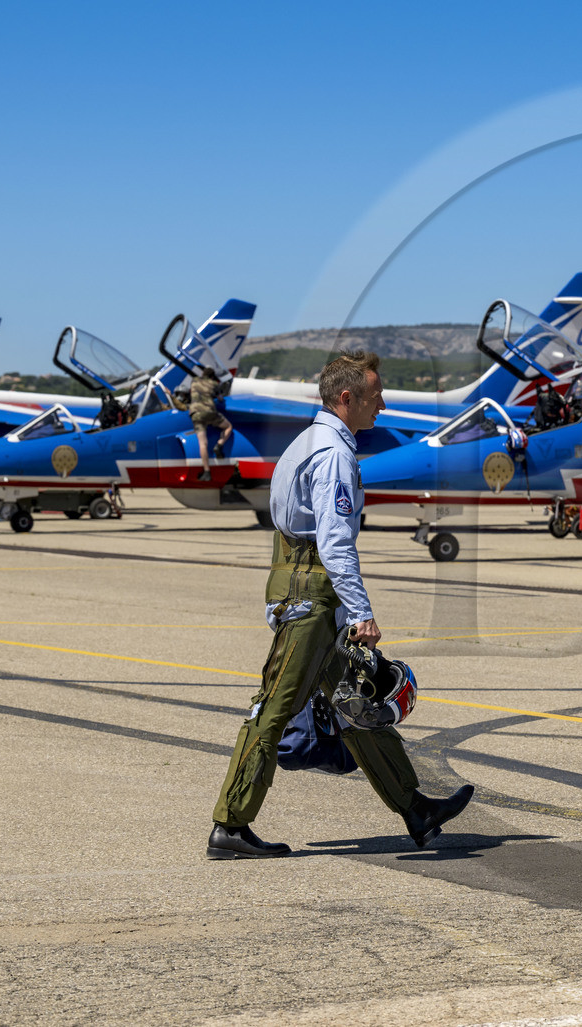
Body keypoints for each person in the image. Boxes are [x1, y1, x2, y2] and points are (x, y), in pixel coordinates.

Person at [208, 350, 474, 860]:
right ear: (346, 397)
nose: (381, 404)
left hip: (302, 591)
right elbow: (333, 541)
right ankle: (231, 823)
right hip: (313, 597)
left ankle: (414, 809)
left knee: (356, 706)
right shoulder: (332, 454)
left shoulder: (306, 443)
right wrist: (360, 611)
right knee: (274, 709)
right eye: (375, 396)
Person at [189, 368, 234, 482]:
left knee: (202, 444)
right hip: (209, 412)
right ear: (213, 377)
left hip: (195, 413)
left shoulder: (194, 381)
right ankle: (219, 445)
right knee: (228, 426)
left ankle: (207, 472)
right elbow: (220, 398)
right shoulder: (213, 383)